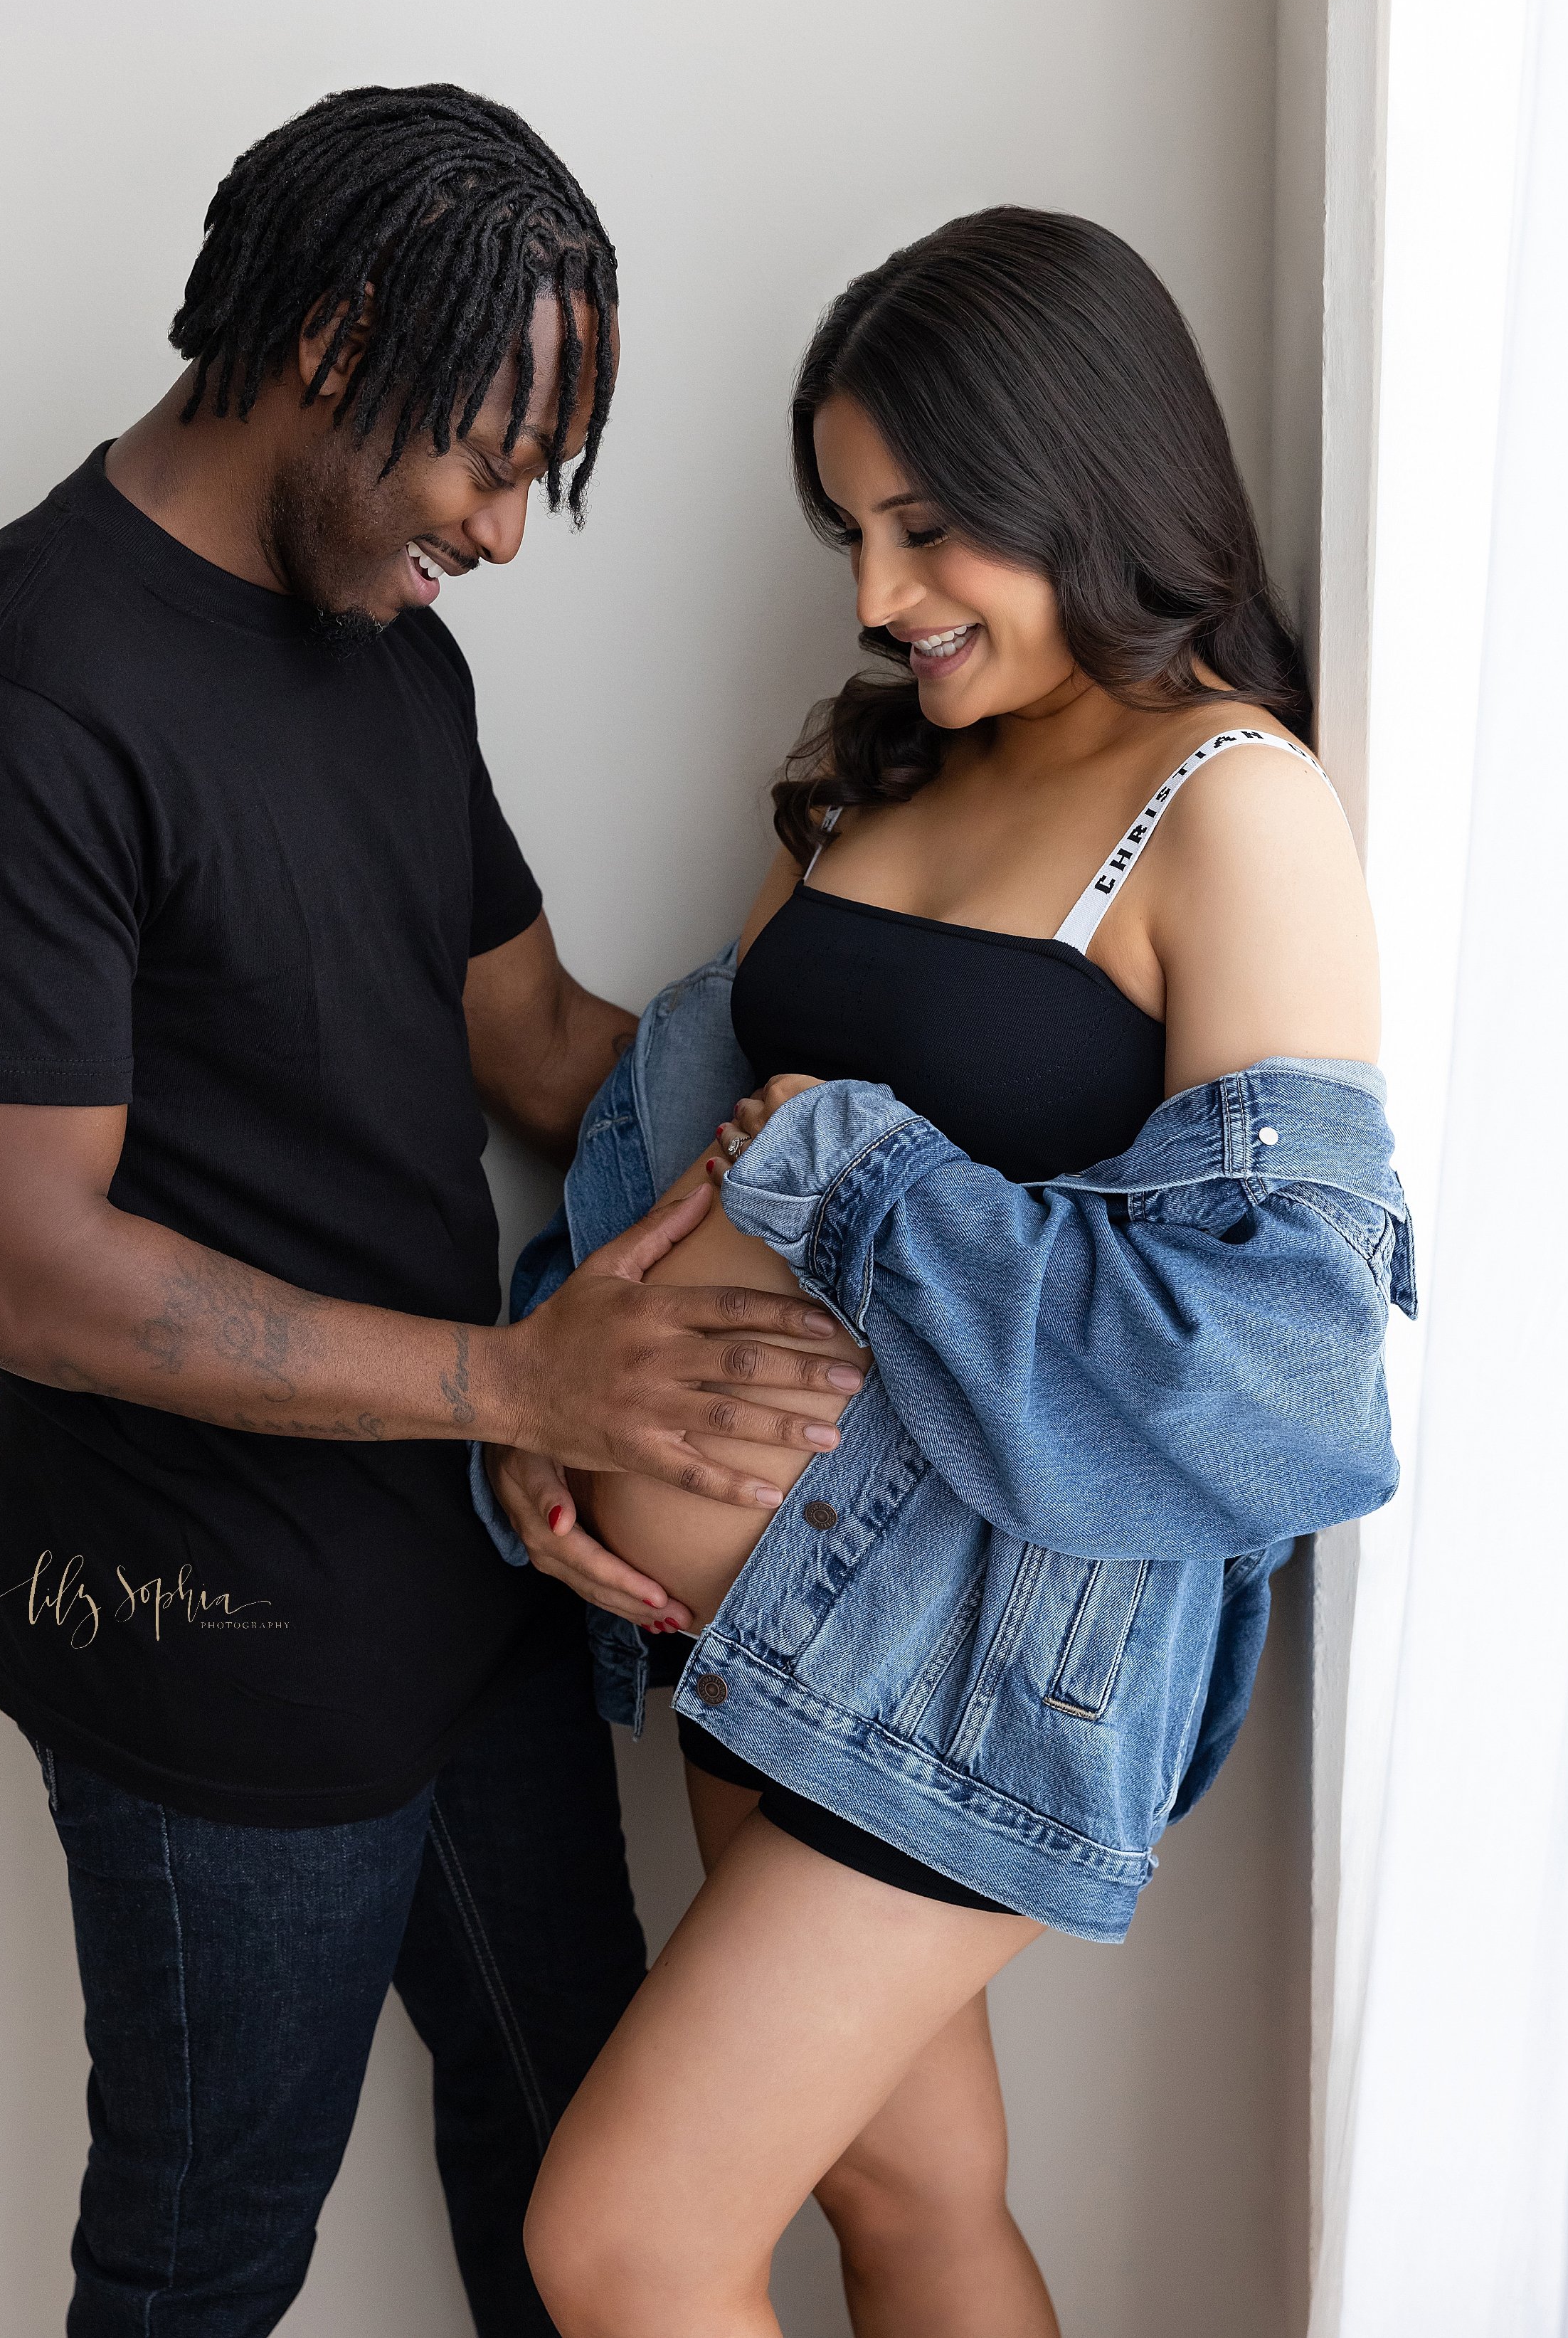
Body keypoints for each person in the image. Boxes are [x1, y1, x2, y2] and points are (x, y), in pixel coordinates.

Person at [0, 81, 867, 2338]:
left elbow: (535, 1046)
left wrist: (876, 1072)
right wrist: (519, 1370)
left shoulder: (391, 651)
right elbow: (9, 1264)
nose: (502, 530)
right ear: (338, 334)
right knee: (205, 2264)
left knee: (576, 2181)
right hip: (202, 1639)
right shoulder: (12, 702)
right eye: (488, 458)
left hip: (469, 1577)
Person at [483, 211, 1414, 2337]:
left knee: (616, 2242)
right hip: (750, 1626)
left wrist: (857, 1167)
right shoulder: (893, 761)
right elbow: (680, 1131)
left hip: (965, 1644)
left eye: (927, 529)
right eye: (851, 532)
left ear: (1080, 477)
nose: (881, 595)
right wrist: (554, 1403)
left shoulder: (1227, 803)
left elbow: (1285, 1367)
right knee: (917, 2196)